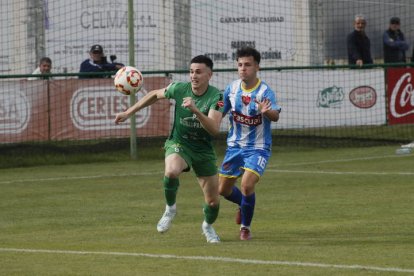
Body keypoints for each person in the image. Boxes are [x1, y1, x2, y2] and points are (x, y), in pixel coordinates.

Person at [114, 55, 224, 243]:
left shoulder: (217, 96)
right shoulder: (180, 89)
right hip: (179, 143)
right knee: (172, 171)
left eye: (198, 72)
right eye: (191, 71)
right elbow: (155, 94)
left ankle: (207, 226)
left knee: (213, 202)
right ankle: (170, 209)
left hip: (203, 151)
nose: (193, 76)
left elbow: (214, 129)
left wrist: (196, 110)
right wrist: (128, 112)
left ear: (209, 74)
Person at [218, 47, 281, 241]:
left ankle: (245, 227)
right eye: (240, 65)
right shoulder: (231, 89)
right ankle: (242, 204)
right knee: (222, 190)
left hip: (258, 147)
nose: (243, 69)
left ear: (257, 67)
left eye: (247, 65)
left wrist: (266, 111)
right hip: (234, 147)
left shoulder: (265, 91)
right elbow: (219, 111)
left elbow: (275, 116)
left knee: (246, 185)